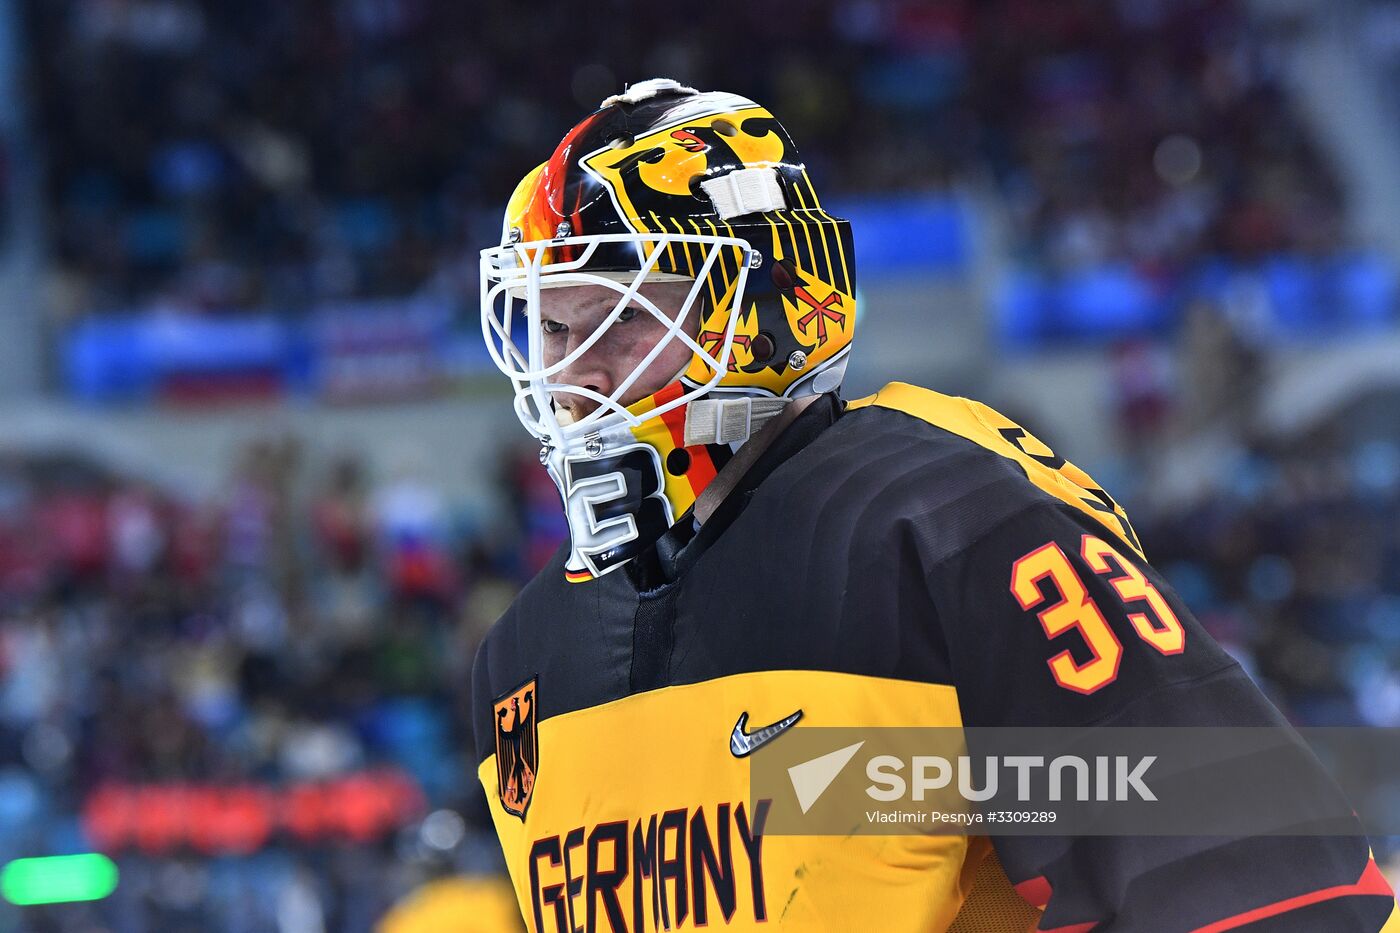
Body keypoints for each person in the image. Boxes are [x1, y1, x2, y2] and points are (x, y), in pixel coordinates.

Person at [471, 79, 1399, 932]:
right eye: (552, 324)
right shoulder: (525, 659)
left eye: (622, 315)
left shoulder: (943, 521)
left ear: (759, 304)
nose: (570, 373)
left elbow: (1257, 877)